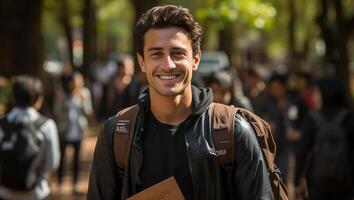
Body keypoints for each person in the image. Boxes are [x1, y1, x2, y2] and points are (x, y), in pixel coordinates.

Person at [87, 5, 274, 200]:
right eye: (156, 54)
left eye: (178, 53)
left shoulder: (232, 132)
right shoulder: (117, 135)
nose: (168, 65)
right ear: (142, 62)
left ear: (195, 59)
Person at [0, 75, 60, 200]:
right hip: (36, 193)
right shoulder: (47, 125)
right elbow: (52, 163)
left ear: (13, 97)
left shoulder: (2, 124)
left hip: (5, 193)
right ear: (39, 99)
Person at [295, 76, 354, 200]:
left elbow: (302, 152)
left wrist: (297, 180)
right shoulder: (349, 117)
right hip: (346, 180)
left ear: (326, 94)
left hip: (317, 181)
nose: (314, 97)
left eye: (316, 93)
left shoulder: (312, 118)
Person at [54, 71, 93, 194]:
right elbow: (57, 112)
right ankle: (60, 183)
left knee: (77, 158)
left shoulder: (85, 93)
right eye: (75, 81)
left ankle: (75, 184)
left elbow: (88, 111)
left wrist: (82, 100)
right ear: (69, 82)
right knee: (61, 158)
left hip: (78, 130)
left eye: (79, 81)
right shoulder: (61, 94)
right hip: (64, 130)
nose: (78, 83)